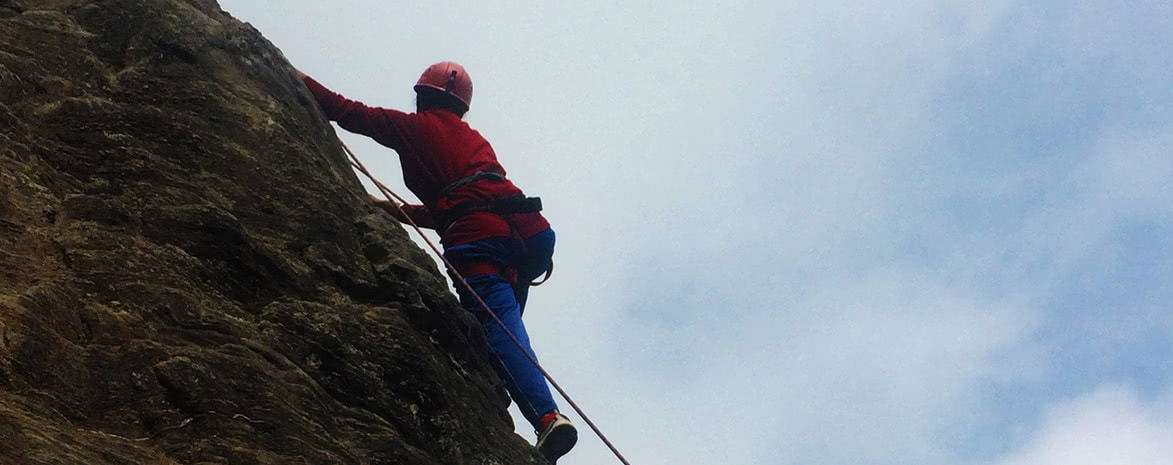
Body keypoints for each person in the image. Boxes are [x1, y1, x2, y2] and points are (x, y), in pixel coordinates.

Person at [294, 61, 577, 461]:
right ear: (461, 106)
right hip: (527, 236)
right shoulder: (473, 140)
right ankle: (517, 395)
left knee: (498, 329)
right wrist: (398, 212)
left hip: (479, 243)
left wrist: (292, 74)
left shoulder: (416, 128)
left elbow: (347, 111)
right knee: (504, 333)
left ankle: (547, 417)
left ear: (422, 95)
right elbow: (463, 202)